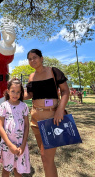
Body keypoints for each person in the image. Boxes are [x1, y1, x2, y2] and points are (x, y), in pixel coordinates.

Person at [24, 49, 69, 177]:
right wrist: (14, 94)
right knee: (46, 158)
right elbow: (30, 94)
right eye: (29, 59)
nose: (32, 60)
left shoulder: (53, 71)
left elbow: (65, 91)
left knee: (45, 157)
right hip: (35, 120)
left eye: (35, 57)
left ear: (42, 58)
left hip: (52, 118)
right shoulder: (31, 76)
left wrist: (60, 110)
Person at [0, 78, 30, 176]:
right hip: (7, 144)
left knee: (18, 169)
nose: (15, 94)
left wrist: (23, 145)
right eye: (13, 91)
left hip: (20, 145)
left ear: (21, 93)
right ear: (8, 91)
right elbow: (0, 126)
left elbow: (27, 126)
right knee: (6, 169)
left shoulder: (24, 106)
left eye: (18, 92)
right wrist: (10, 145)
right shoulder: (4, 106)